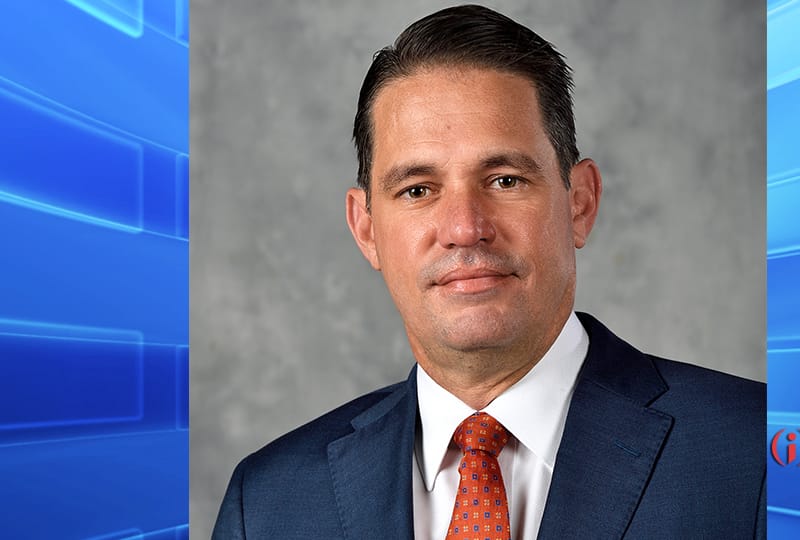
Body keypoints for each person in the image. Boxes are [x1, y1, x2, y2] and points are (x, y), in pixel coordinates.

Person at [213, 5, 765, 539]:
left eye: (505, 180)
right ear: (367, 229)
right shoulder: (266, 507)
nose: (465, 227)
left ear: (580, 203)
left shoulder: (756, 455)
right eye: (418, 190)